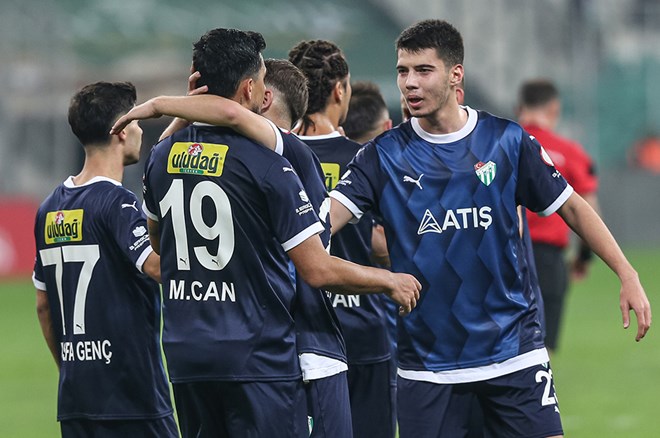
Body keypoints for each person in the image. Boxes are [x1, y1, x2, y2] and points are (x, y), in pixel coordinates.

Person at [328, 19, 651, 438]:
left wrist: (627, 272)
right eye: (403, 71)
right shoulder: (381, 156)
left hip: (513, 352)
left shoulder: (506, 141)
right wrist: (376, 278)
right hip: (428, 367)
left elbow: (572, 207)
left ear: (455, 74)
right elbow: (319, 228)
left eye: (423, 70)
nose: (409, 83)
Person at [135, 28, 420, 438]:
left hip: (186, 355)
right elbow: (317, 268)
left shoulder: (162, 157)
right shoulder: (273, 162)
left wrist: (177, 112)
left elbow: (162, 251)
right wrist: (389, 280)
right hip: (265, 354)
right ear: (253, 89)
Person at [32, 81, 177, 437]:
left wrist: (71, 369)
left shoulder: (49, 209)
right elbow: (158, 268)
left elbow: (43, 306)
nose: (142, 128)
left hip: (77, 400)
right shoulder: (118, 204)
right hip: (133, 398)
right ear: (122, 131)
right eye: (138, 120)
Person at [289, 40, 397, 438]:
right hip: (364, 330)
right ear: (339, 91)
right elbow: (388, 245)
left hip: (300, 329)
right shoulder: (365, 159)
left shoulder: (277, 156)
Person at [517, 79, 600, 352]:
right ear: (554, 108)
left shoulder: (501, 144)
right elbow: (588, 208)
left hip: (504, 257)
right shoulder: (570, 152)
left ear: (520, 107)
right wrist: (583, 257)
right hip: (549, 261)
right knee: (541, 351)